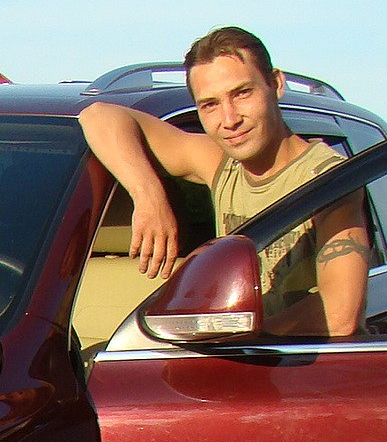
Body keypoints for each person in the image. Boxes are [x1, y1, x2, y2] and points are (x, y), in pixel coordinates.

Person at [79, 26, 370, 336]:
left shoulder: (328, 180)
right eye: (210, 105)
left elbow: (339, 315)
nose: (229, 119)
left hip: (306, 363)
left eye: (242, 93)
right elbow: (97, 116)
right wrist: (148, 195)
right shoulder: (220, 162)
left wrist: (230, 340)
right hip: (236, 358)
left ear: (275, 84)